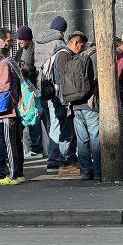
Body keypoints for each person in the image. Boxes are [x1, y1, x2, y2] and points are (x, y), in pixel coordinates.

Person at [35, 16, 76, 170]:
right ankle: (54, 160)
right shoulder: (59, 44)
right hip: (55, 89)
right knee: (57, 124)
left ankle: (56, 156)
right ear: (62, 31)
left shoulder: (38, 42)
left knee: (51, 122)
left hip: (42, 88)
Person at [0, 38, 25, 185]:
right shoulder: (11, 61)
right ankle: (19, 173)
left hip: (8, 109)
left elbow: (4, 86)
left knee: (10, 143)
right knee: (16, 143)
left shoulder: (3, 64)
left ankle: (13, 175)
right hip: (15, 107)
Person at [61, 32, 100, 181]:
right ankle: (98, 171)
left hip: (76, 105)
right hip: (90, 104)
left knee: (82, 139)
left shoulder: (77, 57)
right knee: (95, 138)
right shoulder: (96, 57)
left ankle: (85, 171)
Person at [14, 25, 42, 158]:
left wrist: (28, 69)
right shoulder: (19, 52)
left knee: (34, 117)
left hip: (33, 89)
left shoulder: (35, 50)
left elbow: (38, 68)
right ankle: (29, 148)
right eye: (18, 39)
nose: (19, 42)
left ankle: (37, 148)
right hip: (23, 90)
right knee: (26, 117)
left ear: (28, 38)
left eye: (21, 39)